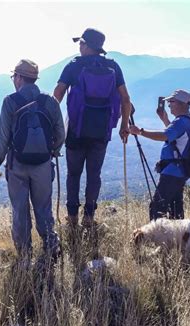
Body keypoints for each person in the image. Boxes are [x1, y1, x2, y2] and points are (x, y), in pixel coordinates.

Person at [53, 28, 131, 227]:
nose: (79, 46)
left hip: (76, 130)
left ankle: (72, 218)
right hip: (101, 131)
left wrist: (51, 122)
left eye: (81, 43)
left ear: (88, 46)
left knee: (73, 174)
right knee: (94, 175)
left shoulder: (74, 66)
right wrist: (124, 127)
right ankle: (89, 217)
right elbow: (125, 99)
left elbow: (59, 93)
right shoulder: (113, 67)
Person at [0, 59, 65, 262]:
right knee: (43, 208)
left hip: (18, 166)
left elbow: (3, 136)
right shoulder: (50, 102)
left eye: (14, 76)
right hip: (42, 164)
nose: (13, 79)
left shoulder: (10, 102)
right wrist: (51, 151)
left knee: (20, 211)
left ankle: (24, 256)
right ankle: (51, 247)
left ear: (20, 78)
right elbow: (60, 133)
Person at [129, 89, 190, 220]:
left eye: (171, 102)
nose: (169, 105)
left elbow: (164, 135)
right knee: (175, 208)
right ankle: (178, 238)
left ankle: (157, 238)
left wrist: (140, 131)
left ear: (182, 103)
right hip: (180, 171)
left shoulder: (181, 122)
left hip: (172, 172)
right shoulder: (189, 120)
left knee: (157, 208)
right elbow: (176, 137)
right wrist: (165, 119)